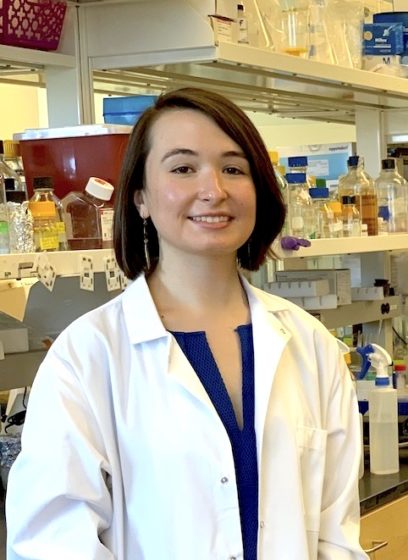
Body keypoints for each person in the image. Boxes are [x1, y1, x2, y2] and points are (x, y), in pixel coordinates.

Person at [6, 88, 367, 559]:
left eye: (233, 168)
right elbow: (52, 547)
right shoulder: (87, 355)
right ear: (140, 199)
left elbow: (336, 536)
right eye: (182, 168)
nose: (213, 189)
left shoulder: (310, 345)